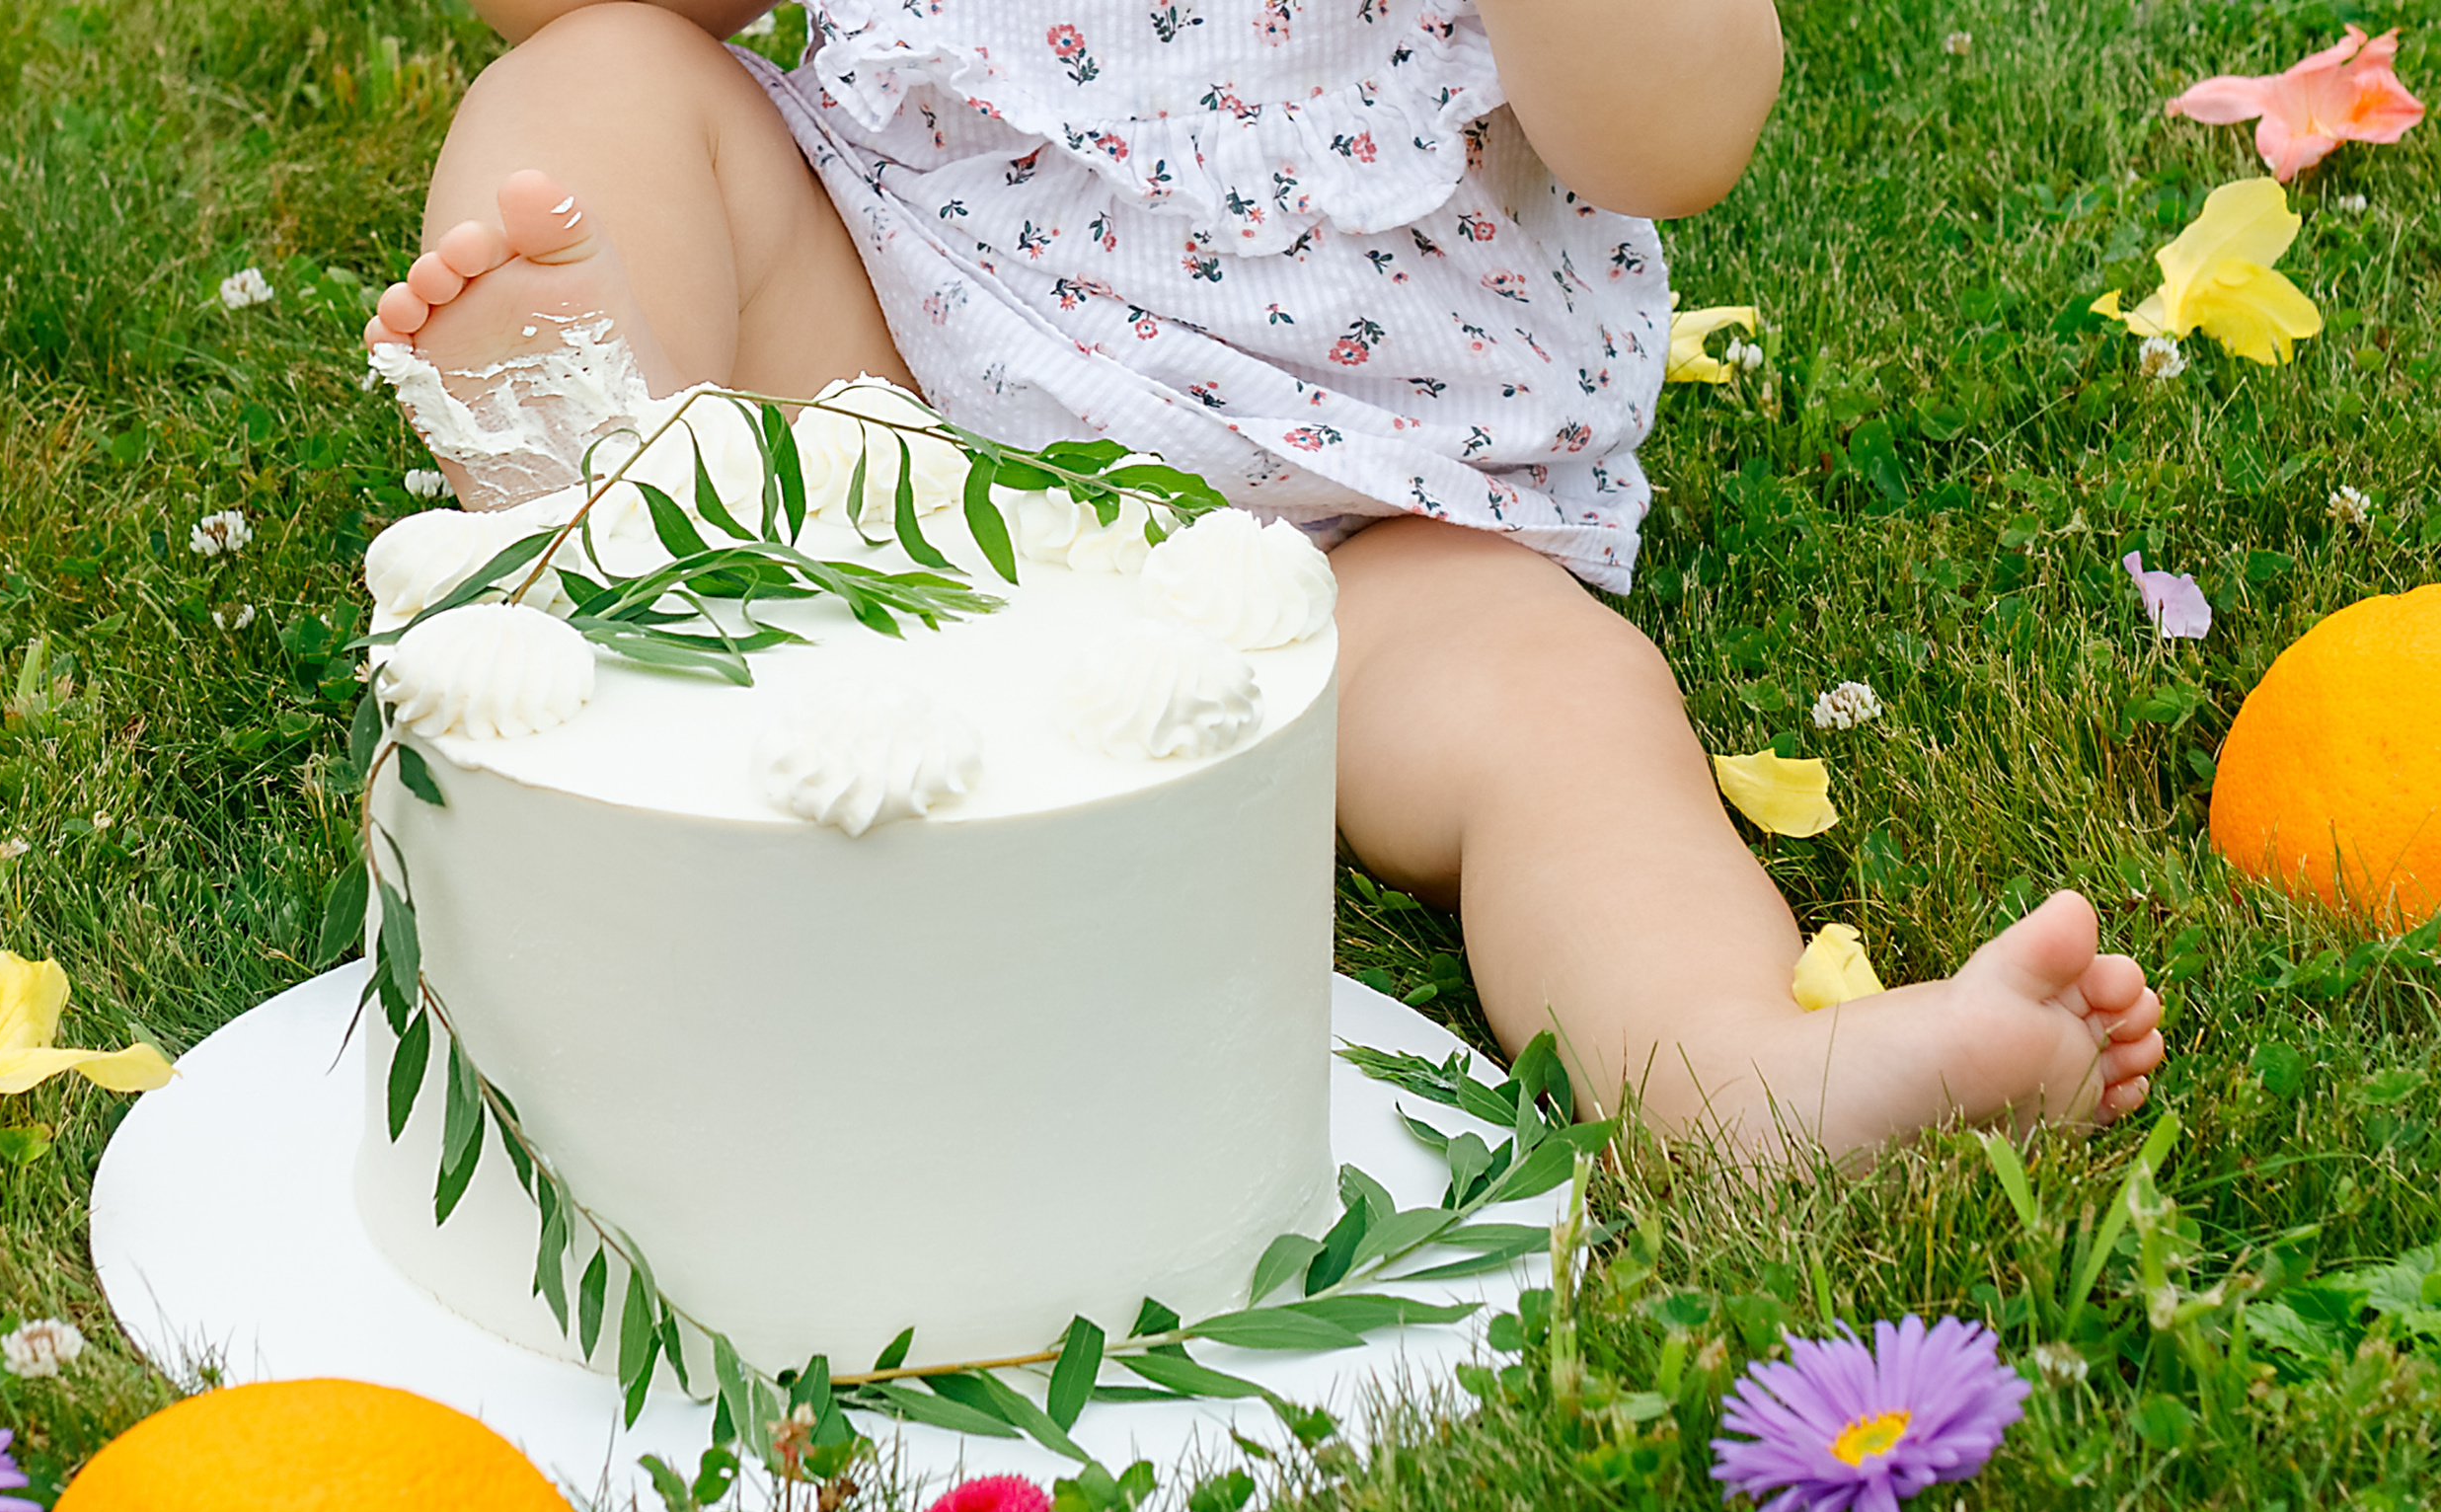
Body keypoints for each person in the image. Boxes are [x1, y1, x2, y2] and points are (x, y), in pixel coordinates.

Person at [362, 0, 2165, 1156]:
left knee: (1566, 720)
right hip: (895, 412)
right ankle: (608, 551)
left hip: (1366, 529)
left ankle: (1739, 1069)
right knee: (590, 91)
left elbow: (1679, 130)